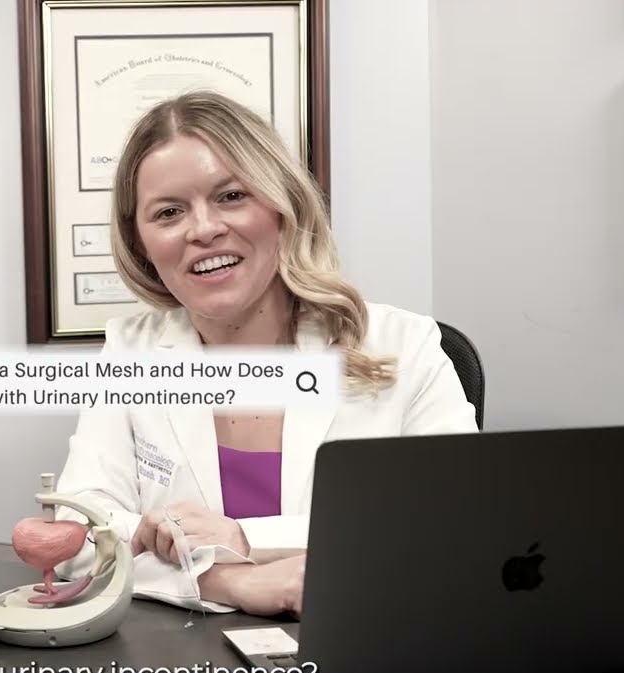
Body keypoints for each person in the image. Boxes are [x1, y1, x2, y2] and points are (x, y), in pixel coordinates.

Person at [51, 90, 477, 618]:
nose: (203, 229)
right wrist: (230, 582)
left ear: (282, 206)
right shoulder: (131, 353)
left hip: (373, 638)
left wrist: (245, 540)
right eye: (168, 212)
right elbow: (76, 540)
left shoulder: (404, 346)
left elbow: (459, 528)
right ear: (140, 243)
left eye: (231, 196)